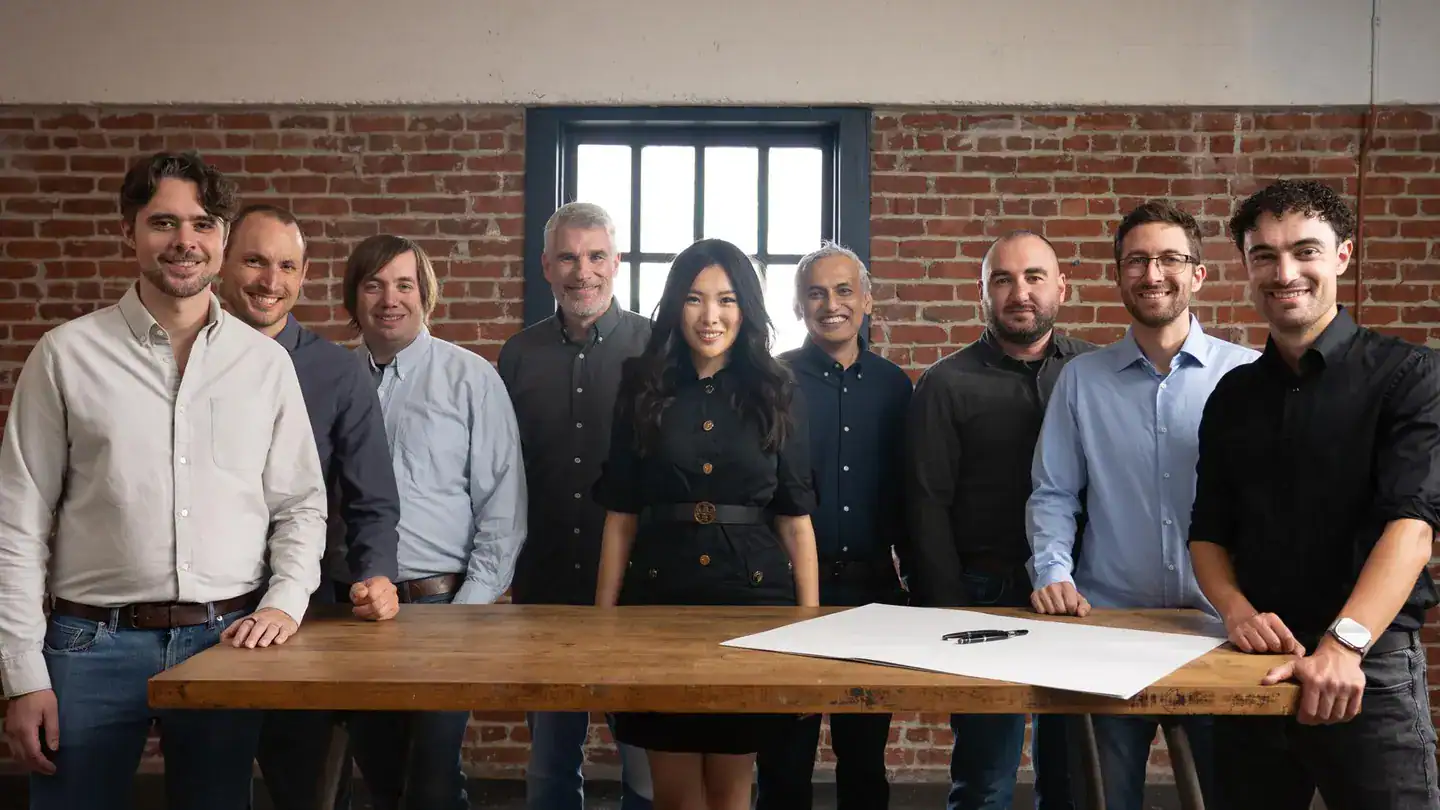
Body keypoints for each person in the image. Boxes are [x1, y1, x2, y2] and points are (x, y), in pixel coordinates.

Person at [0, 151, 328, 810]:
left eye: (203, 224)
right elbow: (17, 521)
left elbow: (300, 507)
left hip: (224, 644)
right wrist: (21, 675)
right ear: (131, 232)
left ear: (223, 239)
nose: (185, 241)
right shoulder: (66, 356)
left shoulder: (264, 366)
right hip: (88, 648)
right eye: (164, 223)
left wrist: (285, 602)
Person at [1189, 179, 1440, 809]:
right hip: (1254, 666)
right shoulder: (1232, 396)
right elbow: (1208, 532)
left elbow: (1411, 528)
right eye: (1264, 256)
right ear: (1246, 266)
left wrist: (1341, 647)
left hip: (1366, 668)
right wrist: (1235, 612)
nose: (1285, 272)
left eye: (1305, 251)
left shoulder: (1409, 376)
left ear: (1342, 256)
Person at [1026, 201, 1259, 810]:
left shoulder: (1248, 376)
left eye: (1170, 259)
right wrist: (1053, 572)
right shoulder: (1081, 380)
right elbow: (1053, 492)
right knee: (1100, 799)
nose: (1153, 274)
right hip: (1109, 629)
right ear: (1119, 275)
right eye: (1137, 261)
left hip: (1224, 633)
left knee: (1228, 796)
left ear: (1199, 273)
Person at [592, 237, 820, 810]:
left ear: (746, 308)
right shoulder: (641, 385)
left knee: (731, 791)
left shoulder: (777, 389)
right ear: (675, 306)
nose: (711, 316)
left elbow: (795, 519)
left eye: (726, 299)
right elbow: (620, 514)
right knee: (673, 795)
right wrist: (601, 626)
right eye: (695, 300)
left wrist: (811, 630)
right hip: (657, 601)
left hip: (753, 601)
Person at [216, 203, 402, 810]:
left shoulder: (335, 372)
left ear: (303, 276)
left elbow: (371, 496)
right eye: (255, 261)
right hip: (203, 613)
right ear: (222, 261)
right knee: (206, 783)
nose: (272, 282)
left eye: (287, 266)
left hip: (308, 615)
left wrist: (375, 573)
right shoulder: (187, 358)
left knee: (307, 791)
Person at [342, 234, 528, 810]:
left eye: (404, 284)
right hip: (355, 612)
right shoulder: (334, 379)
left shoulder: (470, 378)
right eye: (373, 284)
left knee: (433, 782)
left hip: (440, 609)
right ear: (354, 297)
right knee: (380, 778)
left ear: (426, 295)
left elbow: (503, 506)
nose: (389, 299)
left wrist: (466, 619)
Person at [903, 230, 1086, 810]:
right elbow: (924, 504)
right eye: (1002, 280)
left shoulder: (1094, 372)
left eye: (1034, 277)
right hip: (983, 591)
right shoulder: (945, 382)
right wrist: (947, 608)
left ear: (1062, 286)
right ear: (982, 292)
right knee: (984, 779)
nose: (1019, 292)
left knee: (1073, 775)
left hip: (1080, 595)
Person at [497, 202, 653, 810]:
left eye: (594, 256)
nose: (581, 271)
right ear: (545, 265)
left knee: (643, 765)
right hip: (547, 585)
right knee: (551, 769)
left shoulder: (656, 346)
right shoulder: (518, 355)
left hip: (640, 590)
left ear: (616, 262)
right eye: (567, 256)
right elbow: (503, 470)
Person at [756, 242, 909, 810]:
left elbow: (906, 493)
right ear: (799, 306)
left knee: (865, 760)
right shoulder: (772, 382)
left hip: (872, 594)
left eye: (845, 290)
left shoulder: (896, 387)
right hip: (786, 591)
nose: (831, 304)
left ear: (867, 301)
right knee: (784, 759)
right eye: (816, 293)